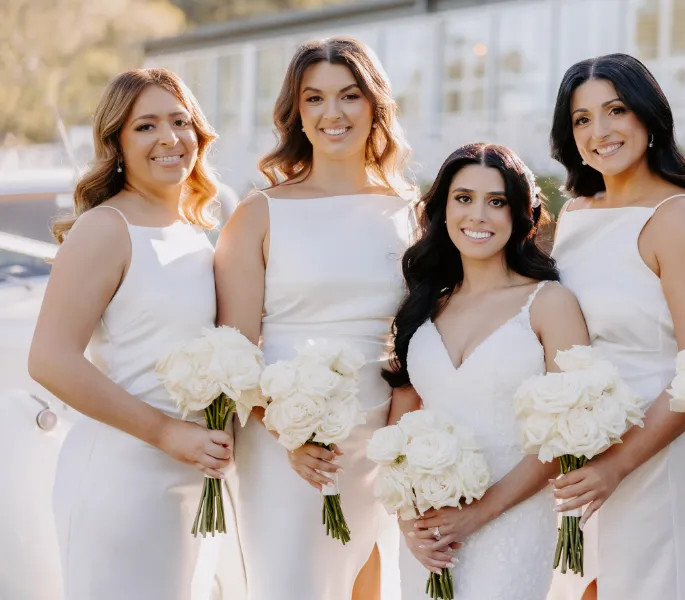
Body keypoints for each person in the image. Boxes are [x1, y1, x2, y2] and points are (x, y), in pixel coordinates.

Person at [214, 36, 416, 600]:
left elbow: (418, 337)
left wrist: (402, 435)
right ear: (296, 112)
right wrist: (288, 431)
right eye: (315, 99)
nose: (333, 114)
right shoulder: (260, 213)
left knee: (370, 584)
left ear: (374, 105)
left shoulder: (409, 211)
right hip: (284, 443)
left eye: (349, 96)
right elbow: (233, 352)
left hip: (380, 437)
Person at [29, 68, 225, 600]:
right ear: (115, 142)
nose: (169, 138)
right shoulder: (105, 228)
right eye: (146, 126)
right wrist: (166, 433)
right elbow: (49, 359)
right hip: (123, 478)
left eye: (180, 121)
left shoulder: (193, 233)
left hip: (192, 479)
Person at [548, 53, 685, 600]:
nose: (598, 131)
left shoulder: (678, 218)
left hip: (655, 450)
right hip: (582, 453)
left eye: (615, 110)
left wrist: (617, 465)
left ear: (648, 118)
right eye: (581, 119)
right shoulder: (575, 214)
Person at [384, 142, 590, 599]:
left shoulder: (549, 304)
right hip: (429, 531)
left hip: (513, 521)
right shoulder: (423, 306)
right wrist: (407, 521)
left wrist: (478, 514)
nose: (478, 215)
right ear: (442, 210)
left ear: (520, 214)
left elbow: (566, 433)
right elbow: (398, 426)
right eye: (464, 198)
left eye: (496, 202)